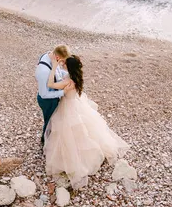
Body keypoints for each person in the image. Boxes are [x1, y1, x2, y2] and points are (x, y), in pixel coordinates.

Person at [43, 54, 129, 189]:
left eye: (64, 63)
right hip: (76, 104)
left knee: (67, 132)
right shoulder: (76, 77)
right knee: (81, 129)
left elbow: (50, 84)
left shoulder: (68, 81)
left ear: (68, 67)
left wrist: (54, 66)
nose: (62, 63)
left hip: (68, 107)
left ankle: (75, 159)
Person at [35, 45, 71, 145]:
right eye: (62, 61)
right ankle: (45, 143)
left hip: (53, 94)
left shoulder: (50, 55)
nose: (63, 64)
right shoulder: (44, 71)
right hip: (48, 100)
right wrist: (63, 92)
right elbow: (44, 94)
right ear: (58, 58)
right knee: (49, 122)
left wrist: (68, 75)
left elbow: (57, 72)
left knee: (54, 121)